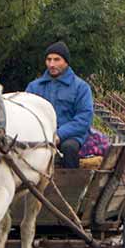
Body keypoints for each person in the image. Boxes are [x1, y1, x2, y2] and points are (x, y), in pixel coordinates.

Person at [26, 41, 93, 169]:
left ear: (66, 62)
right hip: (39, 137)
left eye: (57, 60)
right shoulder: (34, 87)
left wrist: (59, 135)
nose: (52, 64)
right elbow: (26, 114)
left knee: (69, 148)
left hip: (69, 137)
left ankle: (71, 181)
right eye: (49, 59)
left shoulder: (81, 87)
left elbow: (84, 118)